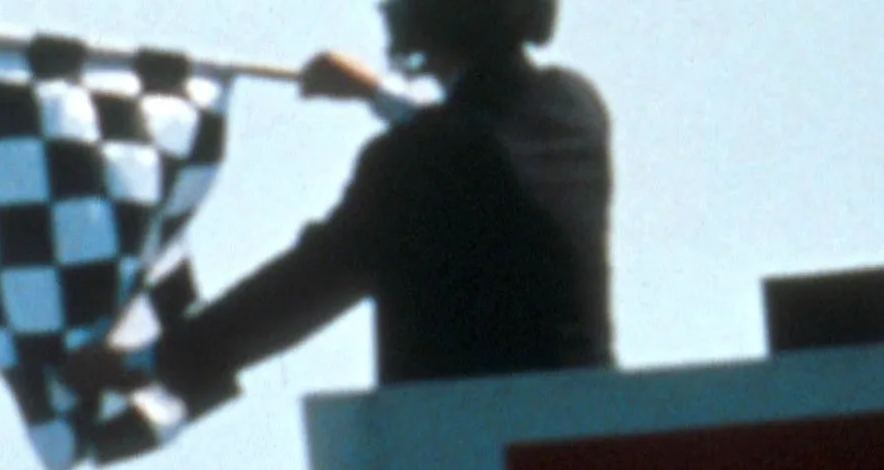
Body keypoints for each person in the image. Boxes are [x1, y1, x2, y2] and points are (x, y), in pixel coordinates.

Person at [70, 0, 609, 407]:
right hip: (584, 442)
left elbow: (296, 295)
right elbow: (482, 143)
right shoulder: (574, 111)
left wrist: (144, 364)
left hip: (464, 457)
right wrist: (375, 93)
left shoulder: (412, 165)